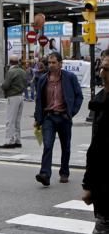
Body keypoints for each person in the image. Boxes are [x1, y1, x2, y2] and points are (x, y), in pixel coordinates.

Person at [81, 49, 109, 234]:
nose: (103, 72)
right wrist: (89, 184)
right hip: (103, 186)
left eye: (108, 68)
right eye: (102, 67)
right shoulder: (100, 101)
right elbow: (95, 149)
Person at [34, 51, 83, 186]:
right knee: (47, 145)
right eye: (49, 62)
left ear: (60, 64)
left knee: (65, 147)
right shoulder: (43, 79)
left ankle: (64, 172)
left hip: (64, 117)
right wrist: (38, 119)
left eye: (54, 62)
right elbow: (38, 100)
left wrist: (71, 113)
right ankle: (45, 174)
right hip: (48, 117)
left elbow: (79, 96)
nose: (51, 65)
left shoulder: (70, 77)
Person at [0, 56, 27, 149]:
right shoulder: (22, 71)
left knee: (10, 120)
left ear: (10, 62)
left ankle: (9, 141)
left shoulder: (11, 72)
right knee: (17, 121)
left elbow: (6, 85)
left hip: (13, 96)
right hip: (21, 96)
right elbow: (26, 83)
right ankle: (17, 140)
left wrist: (1, 85)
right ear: (18, 62)